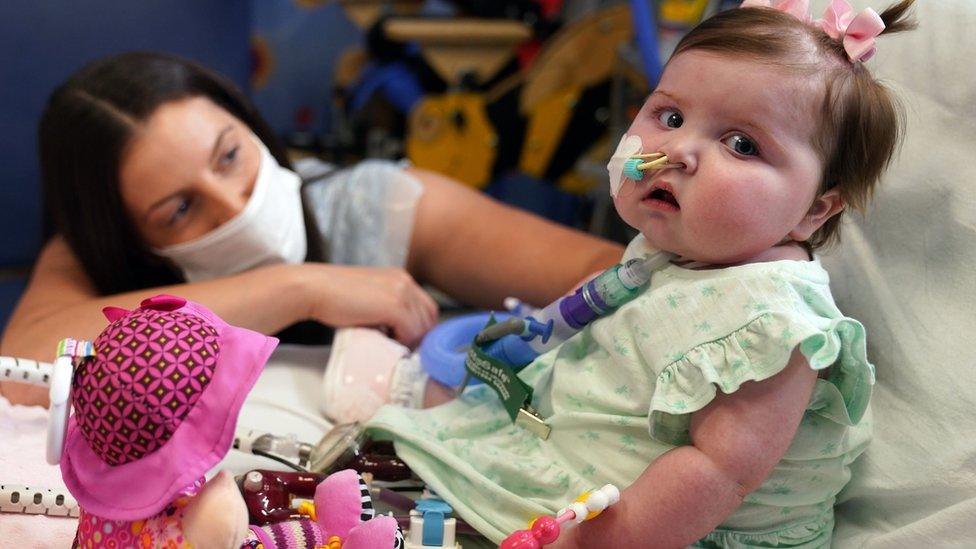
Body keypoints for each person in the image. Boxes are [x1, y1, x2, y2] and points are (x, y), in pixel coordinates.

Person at [366, 1, 917, 547]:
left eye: (741, 145)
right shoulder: (674, 248)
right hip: (584, 458)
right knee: (417, 439)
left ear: (812, 211)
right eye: (670, 117)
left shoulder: (771, 326)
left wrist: (593, 543)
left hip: (671, 526)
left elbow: (718, 474)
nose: (677, 151)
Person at [0, 51, 623, 408]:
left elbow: (617, 277)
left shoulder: (380, 205)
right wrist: (299, 288)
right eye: (180, 211)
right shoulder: (91, 256)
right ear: (127, 238)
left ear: (252, 125)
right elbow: (17, 370)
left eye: (229, 156)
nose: (235, 204)